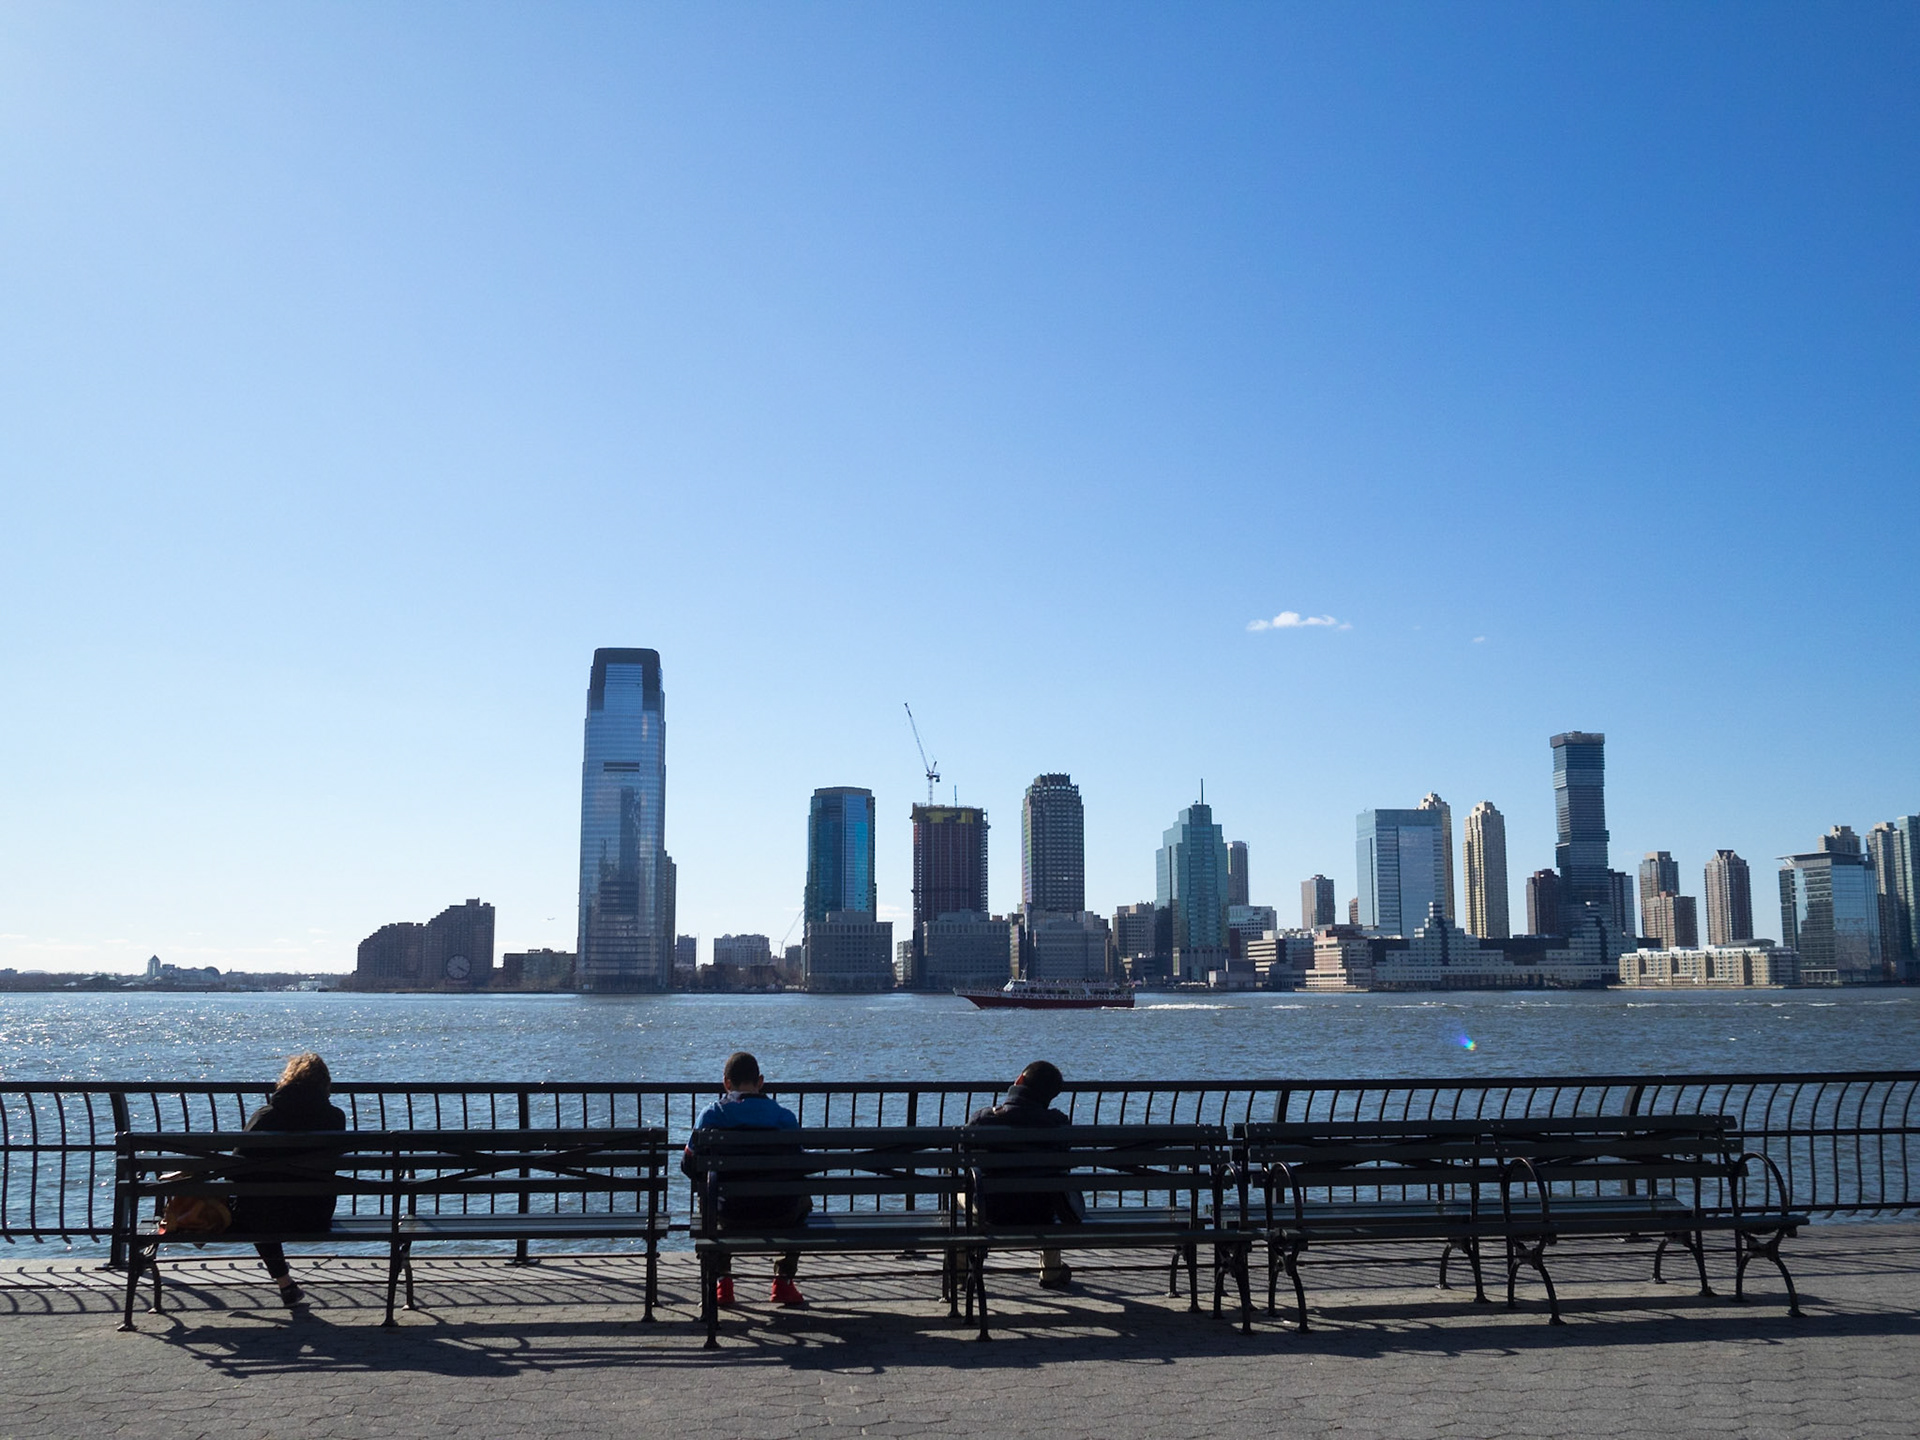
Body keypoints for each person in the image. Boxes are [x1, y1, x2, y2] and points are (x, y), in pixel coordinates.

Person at [682, 1051, 808, 1308]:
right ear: (760, 1081)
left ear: (726, 1083)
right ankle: (783, 1280)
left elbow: (688, 1164)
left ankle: (723, 1283)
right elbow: (800, 1168)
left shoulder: (712, 1115)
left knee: (709, 1195)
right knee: (804, 1200)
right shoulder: (785, 1118)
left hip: (729, 1215)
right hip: (780, 1213)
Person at [232, 1052, 347, 1306]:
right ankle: (287, 1287)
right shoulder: (335, 1117)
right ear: (324, 1084)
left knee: (255, 1205)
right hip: (315, 1215)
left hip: (264, 1217)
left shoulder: (265, 1117)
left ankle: (285, 1284)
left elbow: (234, 1167)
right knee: (261, 1205)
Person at [968, 1060, 1082, 1291]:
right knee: (1050, 1184)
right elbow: (1062, 1170)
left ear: (1019, 1081)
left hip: (993, 1211)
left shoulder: (983, 1120)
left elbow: (965, 1162)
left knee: (967, 1191)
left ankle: (962, 1270)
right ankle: (1050, 1271)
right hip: (1041, 1210)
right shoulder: (1058, 1124)